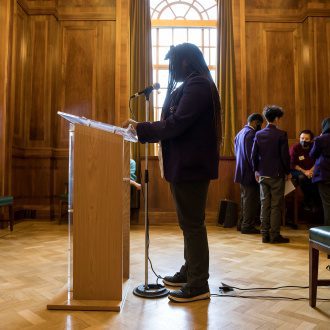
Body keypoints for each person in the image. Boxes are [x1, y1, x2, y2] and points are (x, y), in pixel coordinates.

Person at [123, 43, 221, 303]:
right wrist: (141, 127)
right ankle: (191, 270)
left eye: (173, 63)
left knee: (192, 224)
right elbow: (174, 122)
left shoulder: (198, 85)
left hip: (191, 167)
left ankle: (199, 284)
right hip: (186, 166)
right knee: (188, 223)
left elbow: (177, 124)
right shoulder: (192, 84)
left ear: (186, 62)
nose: (171, 69)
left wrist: (141, 129)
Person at [251, 105, 291, 244]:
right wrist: (288, 172)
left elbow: (253, 155)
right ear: (277, 118)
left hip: (262, 174)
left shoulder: (258, 134)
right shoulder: (281, 134)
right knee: (275, 205)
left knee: (264, 204)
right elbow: (285, 156)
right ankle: (274, 235)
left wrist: (256, 170)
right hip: (276, 174)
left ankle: (264, 235)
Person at [234, 113, 264, 234]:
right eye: (260, 124)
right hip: (249, 173)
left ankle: (241, 223)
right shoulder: (251, 134)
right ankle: (247, 226)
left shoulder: (240, 133)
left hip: (241, 171)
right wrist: (256, 170)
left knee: (244, 199)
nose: (260, 127)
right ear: (255, 122)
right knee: (250, 200)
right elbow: (252, 156)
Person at [290, 130, 318, 211]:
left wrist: (311, 170)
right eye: (302, 138)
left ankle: (313, 202)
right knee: (302, 178)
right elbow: (292, 164)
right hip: (297, 170)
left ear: (311, 140)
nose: (304, 140)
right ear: (299, 138)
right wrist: (305, 171)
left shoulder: (315, 146)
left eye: (306, 139)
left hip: (312, 170)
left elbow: (318, 160)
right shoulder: (295, 147)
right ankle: (308, 201)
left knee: (315, 178)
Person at [310, 118, 330, 225]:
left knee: (327, 204)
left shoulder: (320, 139)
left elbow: (312, 154)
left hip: (324, 174)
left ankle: (328, 231)